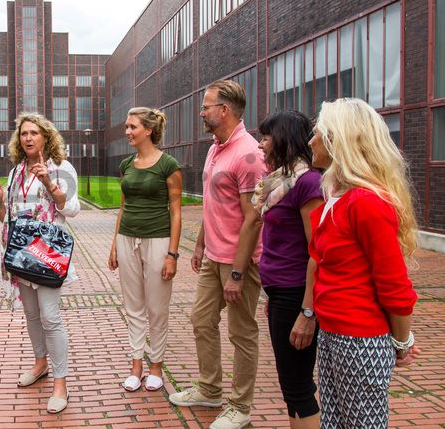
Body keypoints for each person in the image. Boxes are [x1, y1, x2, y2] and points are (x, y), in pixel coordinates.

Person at [307, 98, 420, 427]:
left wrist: (402, 341)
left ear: (337, 139)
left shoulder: (366, 203)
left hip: (360, 340)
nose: (310, 140)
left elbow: (395, 285)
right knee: (335, 423)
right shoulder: (340, 199)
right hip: (334, 334)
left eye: (318, 133)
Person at [169, 80, 266, 429]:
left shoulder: (249, 154)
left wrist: (238, 273)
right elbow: (215, 204)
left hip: (240, 261)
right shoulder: (214, 148)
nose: (201, 112)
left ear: (224, 110)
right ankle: (210, 389)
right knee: (201, 320)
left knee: (242, 333)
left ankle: (240, 406)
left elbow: (253, 218)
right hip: (213, 255)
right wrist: (199, 245)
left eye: (206, 106)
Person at [0, 113, 80, 414]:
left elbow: (73, 209)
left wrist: (49, 183)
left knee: (51, 317)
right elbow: (8, 219)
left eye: (34, 133)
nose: (28, 138)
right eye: (24, 133)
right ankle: (40, 364)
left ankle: (61, 382)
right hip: (20, 255)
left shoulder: (61, 168)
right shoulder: (16, 172)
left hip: (46, 254)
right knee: (31, 314)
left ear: (46, 137)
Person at [251, 111, 323, 429]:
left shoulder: (308, 182)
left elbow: (319, 251)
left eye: (266, 138)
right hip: (282, 294)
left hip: (297, 296)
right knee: (290, 386)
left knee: (298, 386)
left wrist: (307, 313)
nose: (261, 145)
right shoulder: (281, 181)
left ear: (283, 139)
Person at [108, 107, 182, 392]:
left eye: (132, 127)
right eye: (127, 127)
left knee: (156, 307)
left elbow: (176, 212)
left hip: (158, 240)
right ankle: (136, 364)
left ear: (148, 130)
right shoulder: (126, 164)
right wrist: (115, 245)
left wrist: (173, 255)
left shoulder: (168, 165)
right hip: (127, 238)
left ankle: (156, 366)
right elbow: (123, 207)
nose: (127, 132)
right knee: (133, 306)